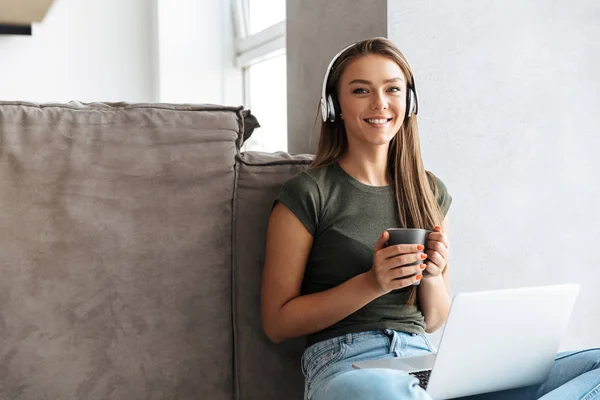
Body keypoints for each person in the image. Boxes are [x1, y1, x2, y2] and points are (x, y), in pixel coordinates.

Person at [261, 37, 600, 400]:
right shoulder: (309, 192)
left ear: (409, 102)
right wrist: (373, 283)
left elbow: (435, 318)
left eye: (393, 89)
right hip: (345, 364)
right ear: (335, 105)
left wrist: (434, 276)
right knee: (387, 390)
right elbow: (278, 322)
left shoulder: (428, 190)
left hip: (425, 361)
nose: (380, 103)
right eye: (361, 90)